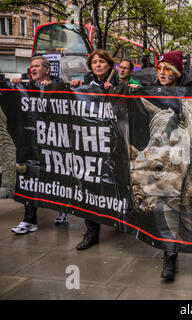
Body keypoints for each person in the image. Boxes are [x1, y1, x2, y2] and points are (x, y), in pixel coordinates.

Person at [70, 49, 125, 249]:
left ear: (109, 65)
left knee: (116, 184)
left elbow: (125, 109)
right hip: (91, 144)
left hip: (114, 145)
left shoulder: (120, 85)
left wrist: (114, 92)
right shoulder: (86, 85)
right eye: (94, 62)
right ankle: (91, 233)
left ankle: (121, 219)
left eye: (102, 61)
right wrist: (75, 88)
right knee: (90, 186)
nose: (98, 65)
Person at [10, 56, 68, 235]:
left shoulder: (59, 87)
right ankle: (29, 220)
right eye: (31, 66)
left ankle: (62, 209)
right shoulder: (25, 87)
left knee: (55, 178)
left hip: (54, 143)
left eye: (36, 66)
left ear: (47, 70)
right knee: (30, 177)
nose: (32, 69)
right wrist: (15, 86)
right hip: (31, 143)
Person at [151, 50, 192, 280]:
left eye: (167, 69)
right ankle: (169, 254)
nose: (162, 73)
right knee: (167, 201)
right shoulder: (150, 89)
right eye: (160, 69)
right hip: (162, 155)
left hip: (187, 153)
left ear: (176, 71)